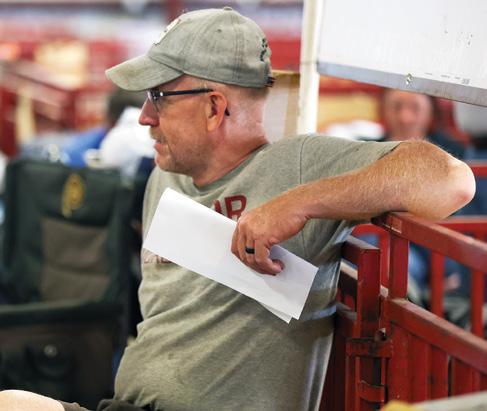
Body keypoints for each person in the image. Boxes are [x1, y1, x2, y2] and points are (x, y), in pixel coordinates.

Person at [0, 7, 475, 411]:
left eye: (158, 97)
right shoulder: (166, 174)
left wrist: (299, 202)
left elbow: (451, 182)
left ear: (214, 108)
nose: (144, 116)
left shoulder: (298, 166)